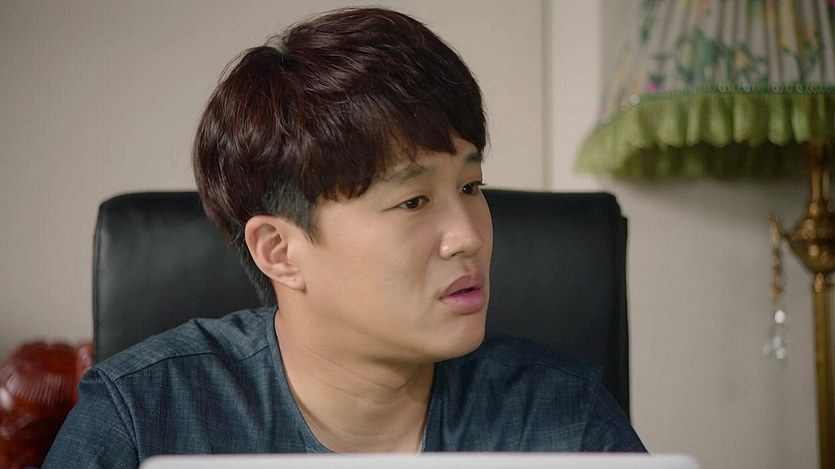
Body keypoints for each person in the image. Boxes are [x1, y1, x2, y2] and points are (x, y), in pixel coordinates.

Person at [43, 7, 645, 467]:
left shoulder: (563, 418)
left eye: (470, 186)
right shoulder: (140, 418)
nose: (467, 238)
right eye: (412, 202)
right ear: (279, 251)